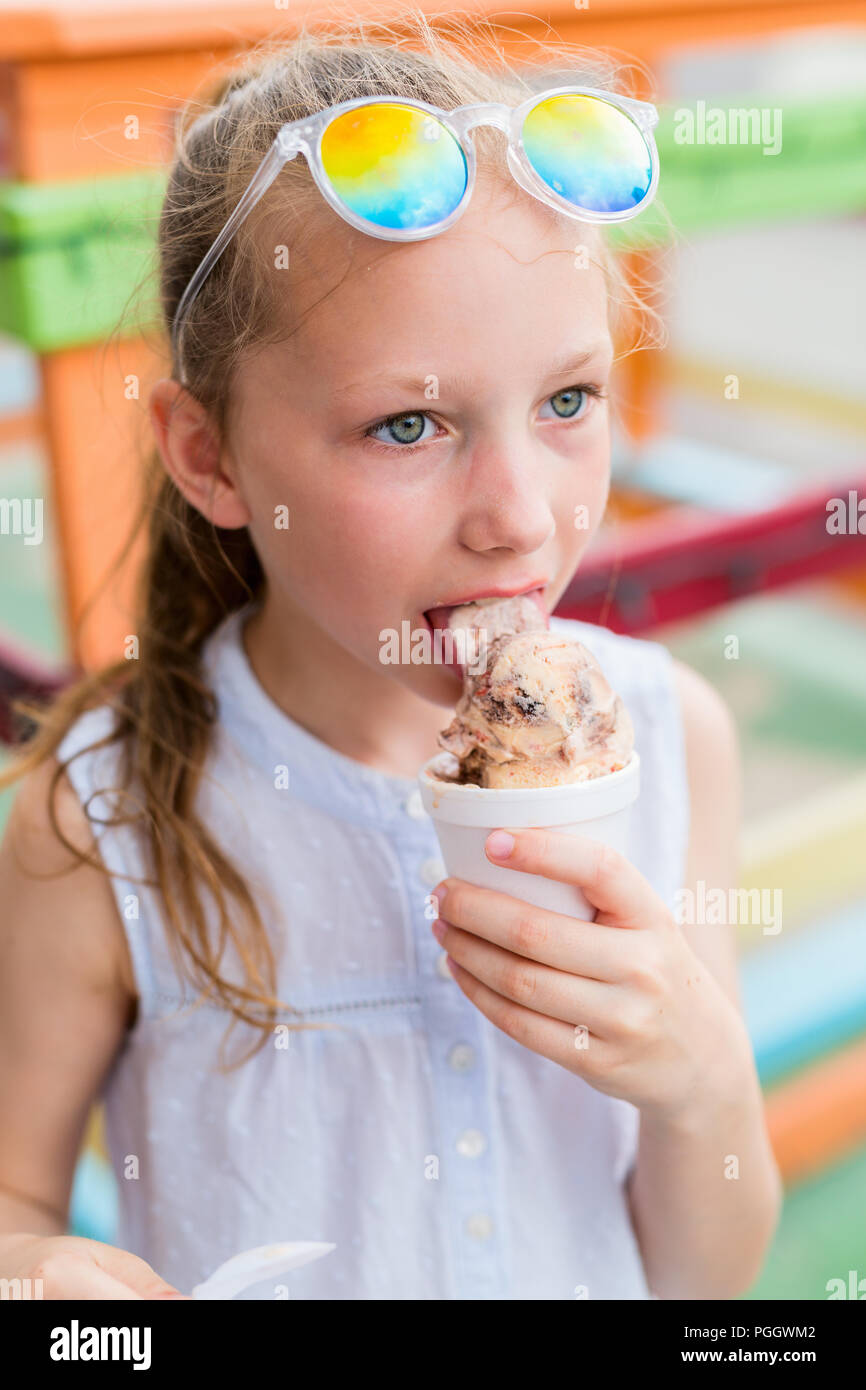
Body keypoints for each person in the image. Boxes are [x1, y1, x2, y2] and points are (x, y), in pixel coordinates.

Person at [0, 13, 781, 1299]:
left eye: (568, 401)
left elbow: (705, 1291)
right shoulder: (100, 817)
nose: (520, 515)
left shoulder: (673, 737)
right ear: (208, 455)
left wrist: (699, 1082)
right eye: (408, 424)